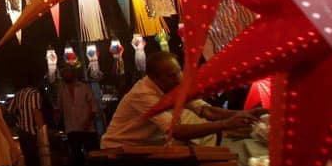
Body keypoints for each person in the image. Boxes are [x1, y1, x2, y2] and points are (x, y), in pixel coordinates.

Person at [101, 52, 260, 149]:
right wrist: (225, 124)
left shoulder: (175, 85)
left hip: (147, 148)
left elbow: (207, 111)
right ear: (155, 78)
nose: (178, 79)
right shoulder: (143, 94)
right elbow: (176, 131)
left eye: (178, 72)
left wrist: (245, 114)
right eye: (171, 75)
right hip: (120, 150)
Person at [55, 65, 101, 166]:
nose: (67, 75)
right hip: (72, 128)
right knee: (77, 158)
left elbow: (94, 107)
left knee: (94, 156)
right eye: (65, 73)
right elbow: (59, 109)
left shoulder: (84, 88)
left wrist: (88, 121)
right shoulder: (62, 91)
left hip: (87, 128)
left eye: (68, 72)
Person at [8, 68, 46, 166]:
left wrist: (20, 119)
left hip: (22, 133)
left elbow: (10, 110)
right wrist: (43, 133)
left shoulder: (19, 94)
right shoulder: (34, 94)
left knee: (30, 165)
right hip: (32, 134)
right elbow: (37, 113)